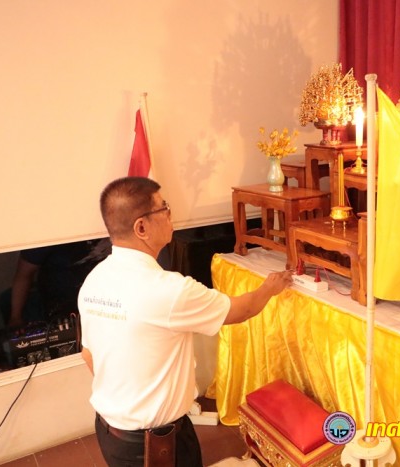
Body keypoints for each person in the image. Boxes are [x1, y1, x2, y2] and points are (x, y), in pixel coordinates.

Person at [79, 176, 292, 466]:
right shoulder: (168, 290)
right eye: (163, 208)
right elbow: (241, 311)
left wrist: (126, 399)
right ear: (141, 227)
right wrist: (271, 286)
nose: (170, 215)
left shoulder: (95, 279)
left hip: (109, 431)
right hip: (154, 443)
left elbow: (88, 354)